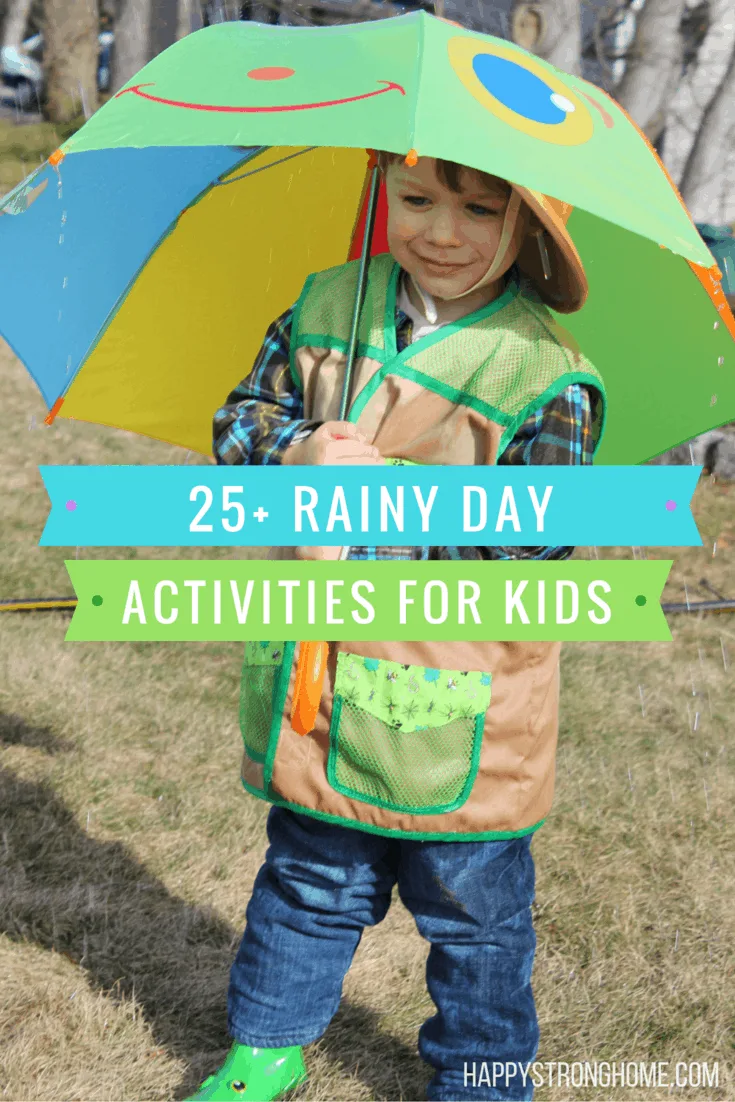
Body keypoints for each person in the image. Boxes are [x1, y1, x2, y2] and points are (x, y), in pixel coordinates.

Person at [188, 149, 606, 1102]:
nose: (439, 232)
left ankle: (481, 1076)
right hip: (323, 671)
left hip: (461, 700)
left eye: (477, 209)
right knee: (306, 876)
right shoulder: (327, 305)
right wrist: (294, 446)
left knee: (475, 915)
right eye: (415, 200)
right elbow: (238, 421)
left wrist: (394, 500)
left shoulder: (546, 373)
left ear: (528, 230)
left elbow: (534, 545)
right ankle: (265, 1046)